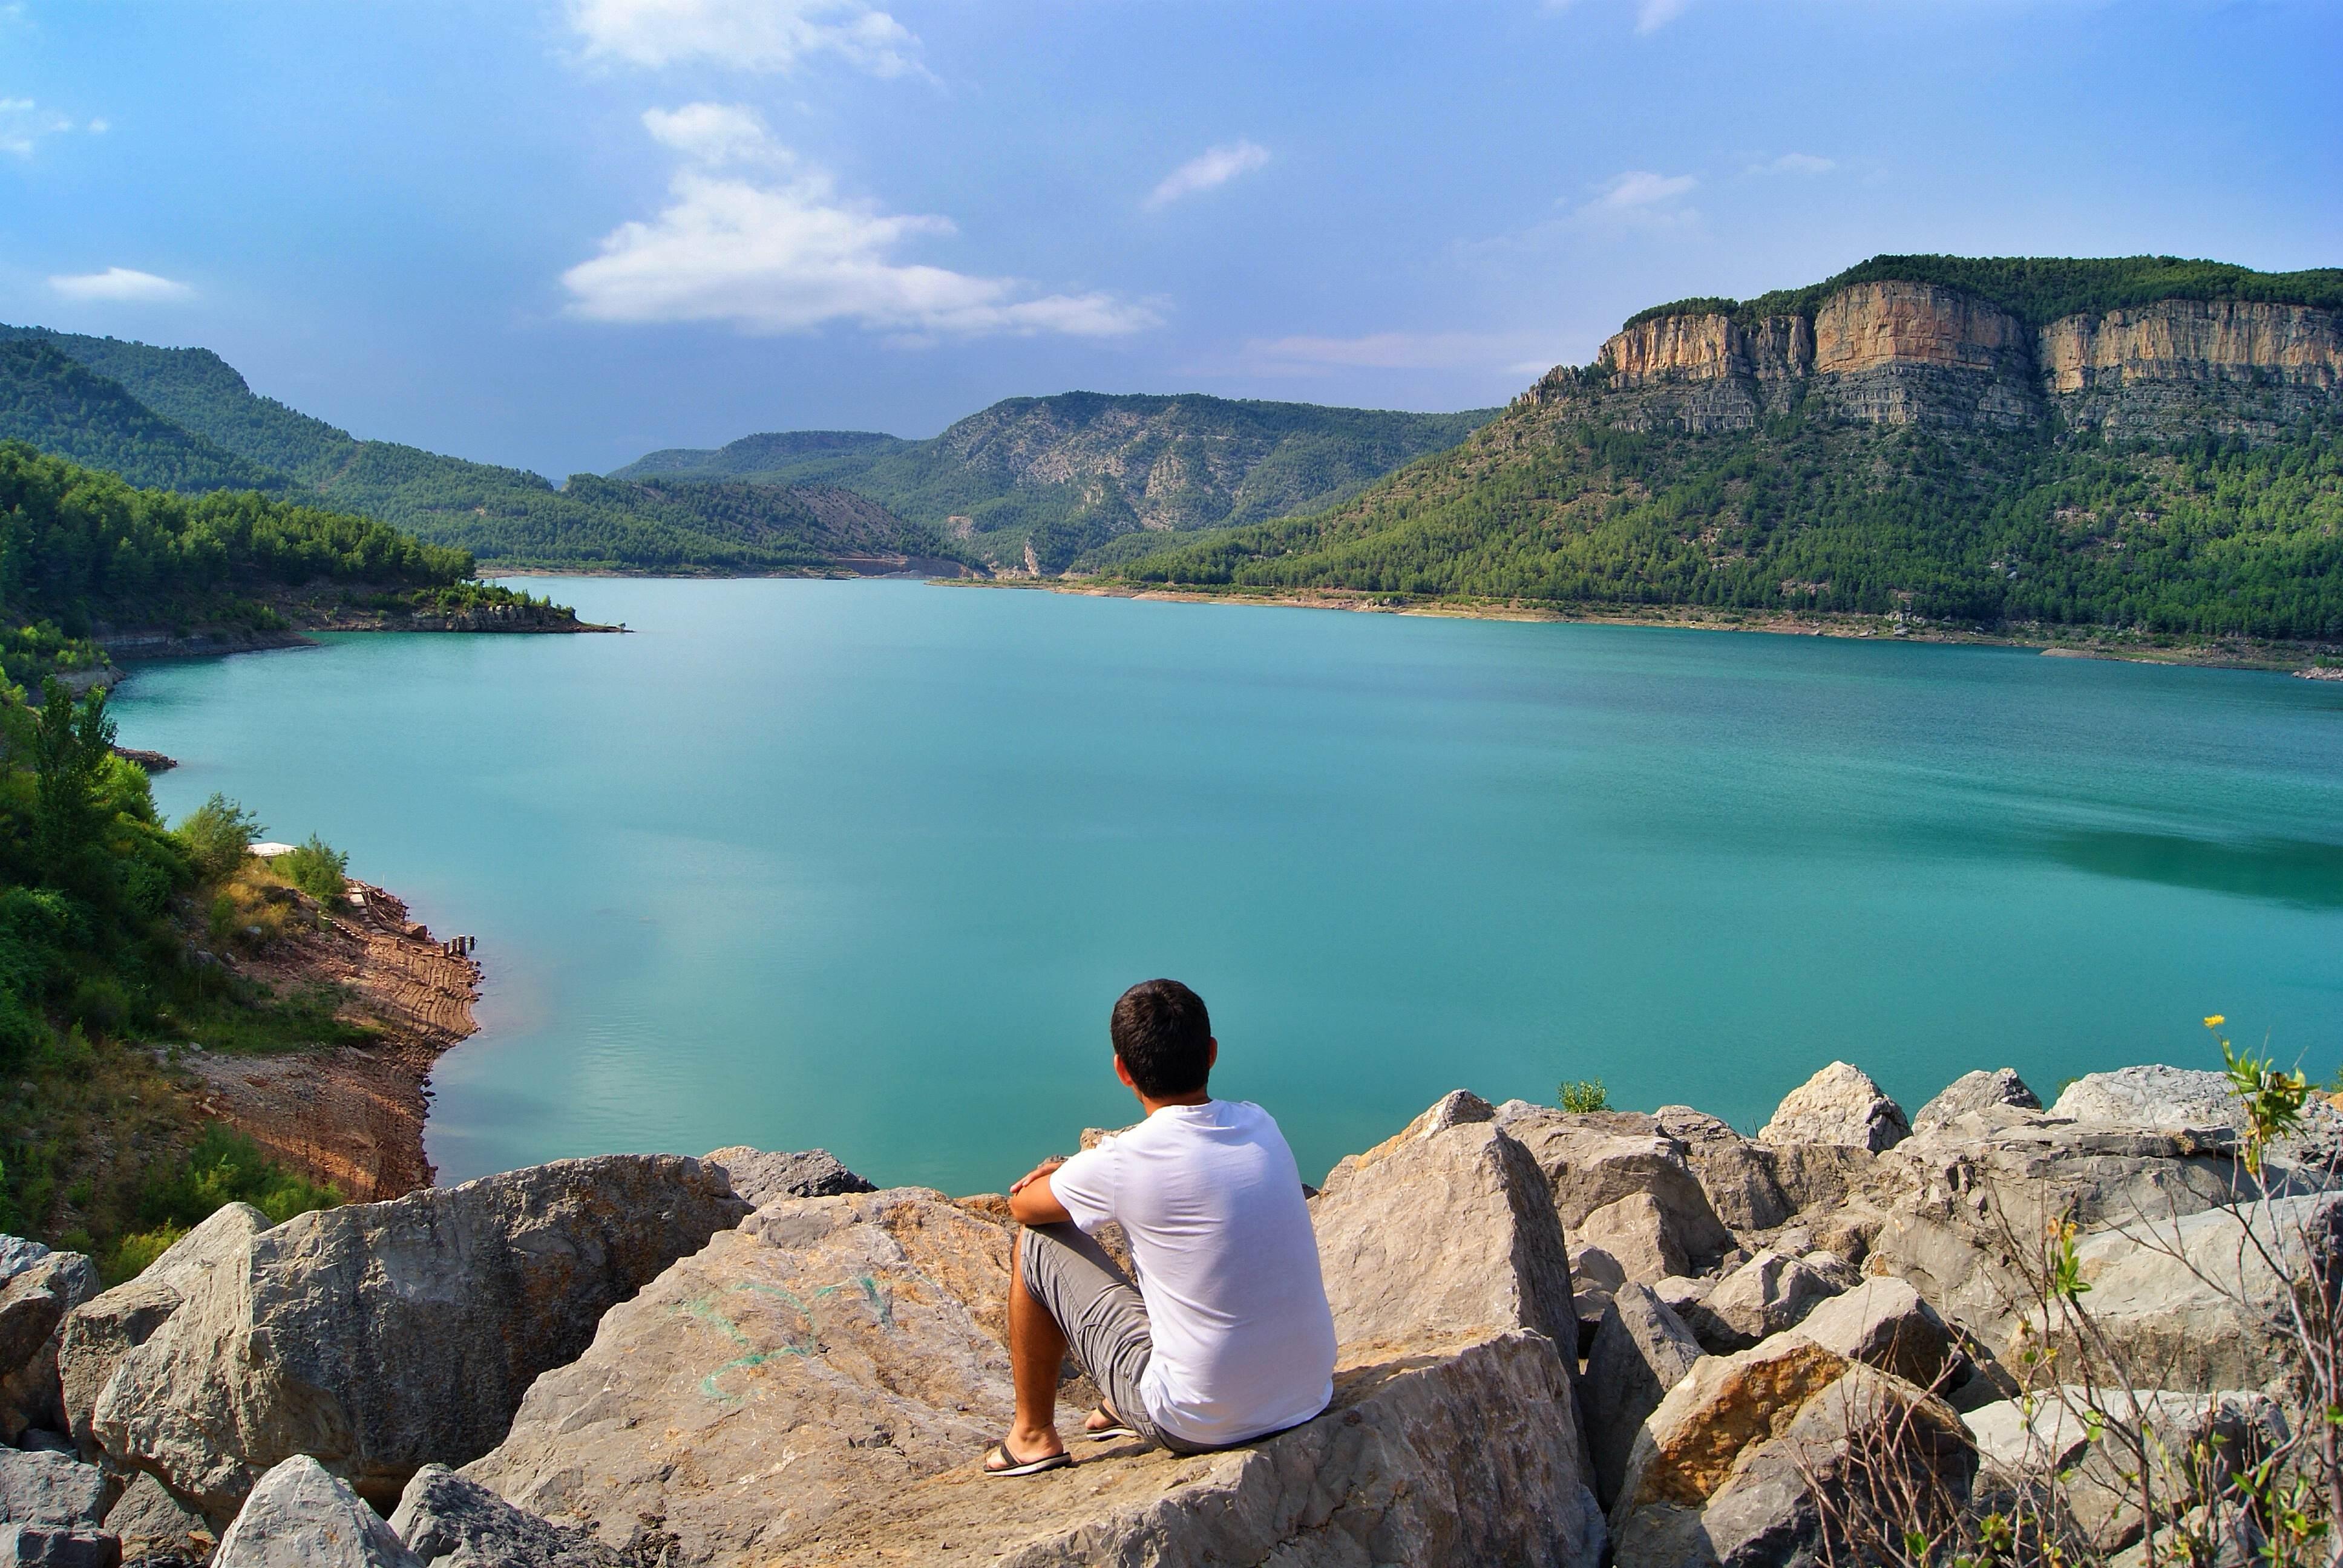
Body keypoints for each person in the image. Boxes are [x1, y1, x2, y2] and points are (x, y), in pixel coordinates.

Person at [985, 978, 1337, 1477]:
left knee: (1039, 1243)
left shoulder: (1121, 1164)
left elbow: (1025, 1208)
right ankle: (1119, 1401)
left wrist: (1070, 1172)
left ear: (1123, 1071)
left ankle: (1032, 1436)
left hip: (1198, 1420)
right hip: (1308, 1391)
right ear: (1211, 1054)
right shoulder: (1262, 1123)